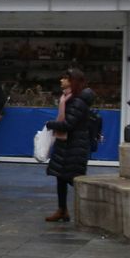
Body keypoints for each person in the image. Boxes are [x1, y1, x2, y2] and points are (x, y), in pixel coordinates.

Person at [45, 68, 97, 223]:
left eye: (65, 78)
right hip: (66, 144)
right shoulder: (67, 98)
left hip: (74, 146)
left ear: (72, 81)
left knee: (72, 179)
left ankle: (94, 206)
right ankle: (62, 210)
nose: (61, 80)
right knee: (60, 177)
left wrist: (51, 124)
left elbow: (69, 124)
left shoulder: (77, 101)